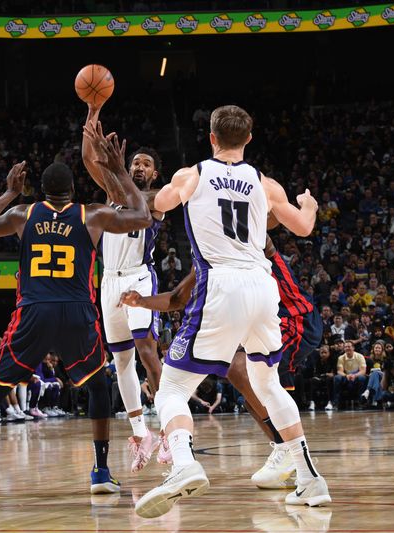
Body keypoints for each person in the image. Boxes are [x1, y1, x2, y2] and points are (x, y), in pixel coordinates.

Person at [0, 126, 153, 505]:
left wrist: (8, 193)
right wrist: (117, 170)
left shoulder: (23, 213)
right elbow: (143, 217)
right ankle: (100, 472)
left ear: (43, 190)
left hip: (33, 311)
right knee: (98, 387)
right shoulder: (93, 215)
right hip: (77, 311)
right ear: (72, 191)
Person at [131, 105, 328, 518]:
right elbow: (304, 227)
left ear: (212, 138)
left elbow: (158, 205)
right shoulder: (264, 182)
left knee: (171, 388)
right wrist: (308, 204)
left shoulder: (193, 174)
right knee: (268, 383)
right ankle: (311, 478)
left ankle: (183, 465)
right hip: (262, 284)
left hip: (221, 284)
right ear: (249, 139)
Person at [121, 231, 323, 490]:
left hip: (294, 316)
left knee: (249, 376)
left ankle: (292, 455)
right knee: (245, 383)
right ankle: (291, 458)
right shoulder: (208, 253)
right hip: (257, 314)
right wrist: (142, 302)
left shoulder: (243, 235)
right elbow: (178, 297)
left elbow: (271, 223)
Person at [82, 103, 164, 472]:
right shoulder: (114, 190)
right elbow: (88, 158)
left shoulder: (155, 199)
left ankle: (171, 430)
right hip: (109, 280)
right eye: (135, 162)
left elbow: (139, 202)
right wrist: (92, 113)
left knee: (147, 350)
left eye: (145, 163)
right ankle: (139, 432)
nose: (138, 166)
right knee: (121, 361)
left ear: (155, 172)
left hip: (138, 277)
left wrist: (116, 171)